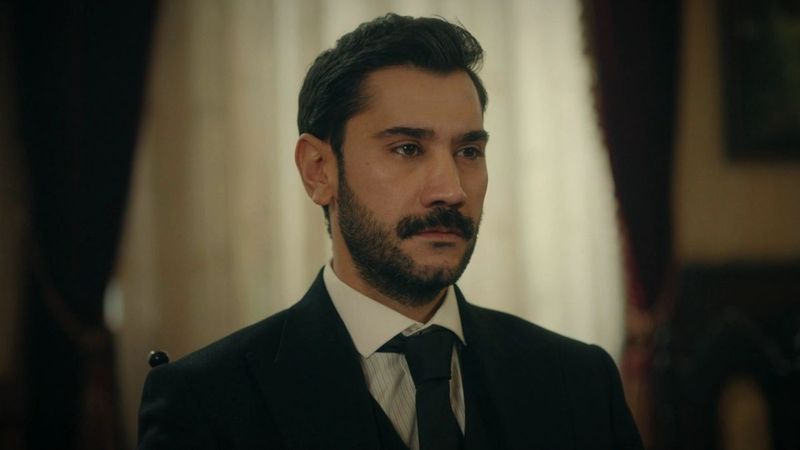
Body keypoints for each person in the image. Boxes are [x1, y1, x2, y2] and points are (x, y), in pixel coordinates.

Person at [137, 13, 643, 450]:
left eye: (468, 151)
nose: (451, 190)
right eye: (407, 148)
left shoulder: (580, 381)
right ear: (318, 170)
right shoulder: (205, 403)